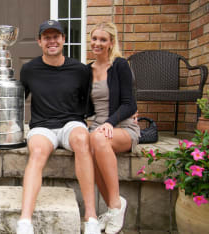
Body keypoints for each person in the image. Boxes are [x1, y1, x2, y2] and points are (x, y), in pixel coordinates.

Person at [17, 20, 100, 234]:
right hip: (42, 126)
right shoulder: (29, 69)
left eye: (56, 36)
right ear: (39, 41)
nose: (51, 41)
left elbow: (89, 101)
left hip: (71, 124)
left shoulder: (80, 70)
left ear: (63, 39)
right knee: (36, 151)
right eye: (47, 37)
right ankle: (25, 221)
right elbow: (18, 101)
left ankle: (90, 216)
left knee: (83, 140)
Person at [88, 22, 139, 234]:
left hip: (122, 127)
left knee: (98, 139)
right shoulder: (86, 70)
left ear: (111, 43)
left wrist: (110, 122)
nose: (97, 43)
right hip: (98, 128)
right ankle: (112, 207)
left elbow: (130, 104)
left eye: (103, 39)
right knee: (89, 146)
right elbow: (83, 105)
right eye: (94, 39)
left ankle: (116, 205)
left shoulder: (119, 65)